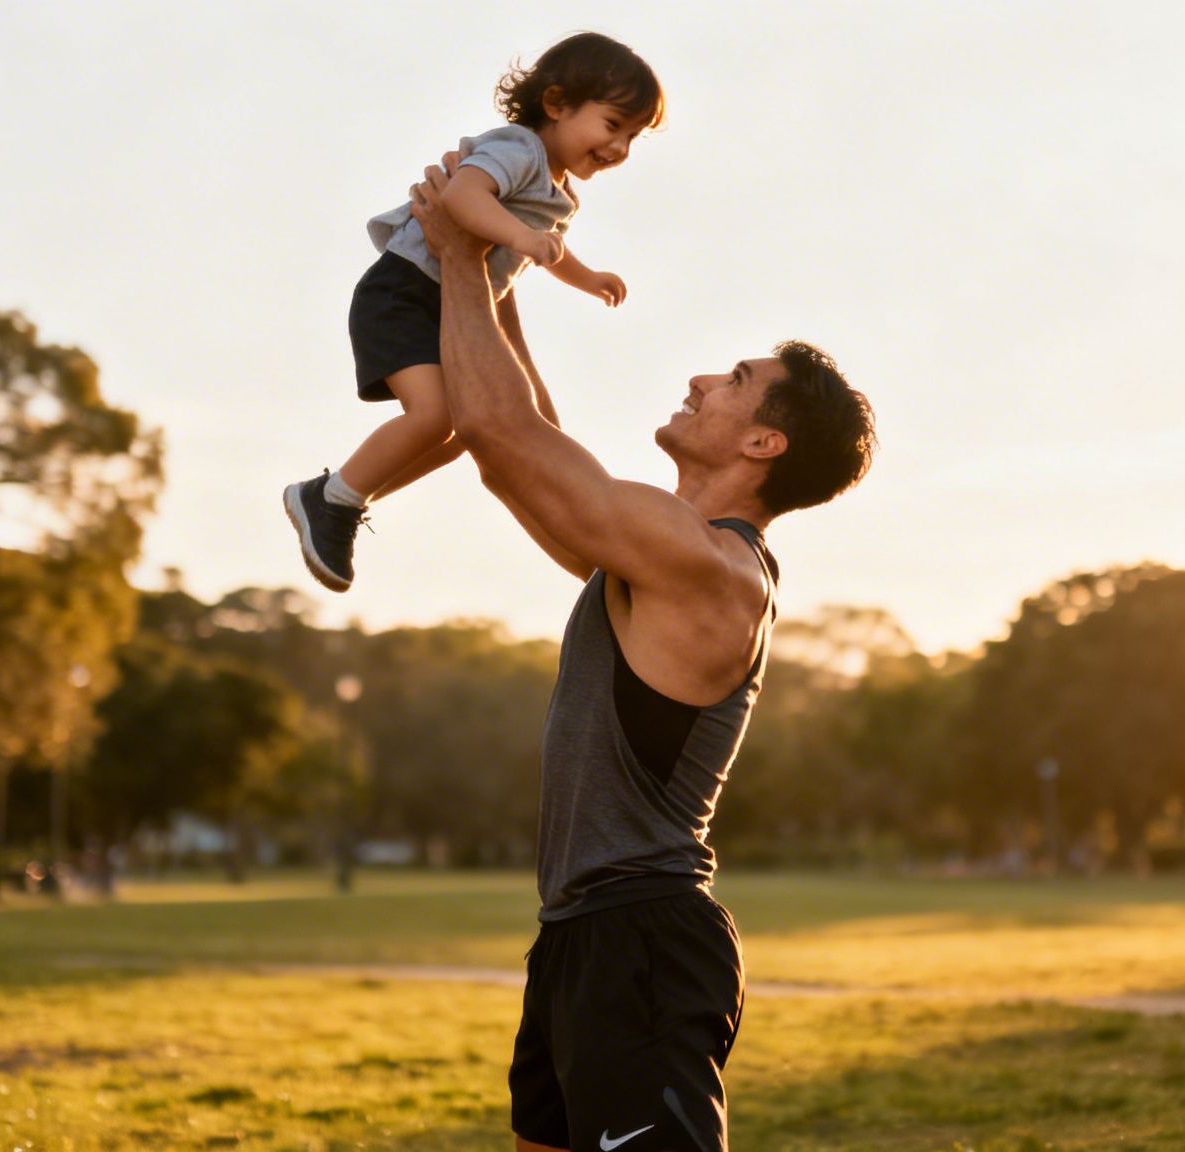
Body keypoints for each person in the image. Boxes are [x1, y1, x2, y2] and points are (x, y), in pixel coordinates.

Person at [384, 151, 874, 1152]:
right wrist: (488, 270)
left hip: (642, 942)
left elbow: (497, 424)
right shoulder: (650, 556)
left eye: (734, 381)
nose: (701, 377)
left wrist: (461, 255)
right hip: (577, 934)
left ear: (763, 445)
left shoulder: (713, 571)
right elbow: (514, 451)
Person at [284, 32, 664, 593]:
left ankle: (336, 496)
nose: (620, 149)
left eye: (632, 138)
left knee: (472, 426)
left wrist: (586, 279)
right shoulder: (517, 148)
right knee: (436, 416)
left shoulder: (558, 191)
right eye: (613, 126)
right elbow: (461, 197)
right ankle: (336, 498)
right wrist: (520, 237)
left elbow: (547, 246)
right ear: (556, 104)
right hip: (406, 292)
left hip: (447, 306)